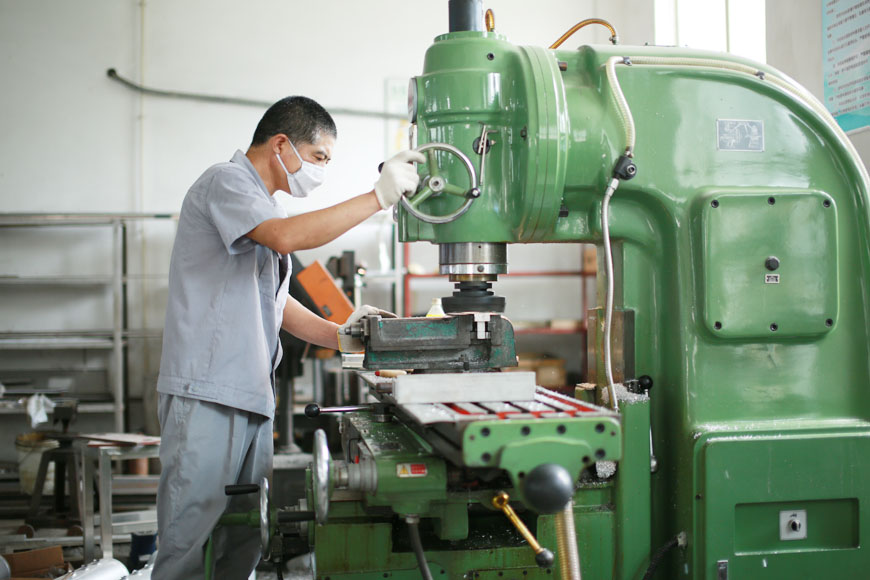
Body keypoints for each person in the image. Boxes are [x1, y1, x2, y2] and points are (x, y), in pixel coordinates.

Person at [152, 96, 424, 580]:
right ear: (281, 144)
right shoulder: (226, 183)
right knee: (189, 545)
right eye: (319, 157)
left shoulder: (264, 207)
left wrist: (345, 336)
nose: (320, 171)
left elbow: (278, 307)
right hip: (208, 391)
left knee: (241, 542)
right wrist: (377, 199)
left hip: (250, 394)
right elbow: (285, 237)